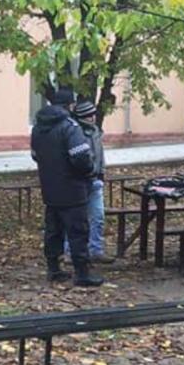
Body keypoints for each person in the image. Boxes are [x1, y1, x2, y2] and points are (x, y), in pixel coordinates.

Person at [31, 87, 104, 287]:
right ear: (70, 105)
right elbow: (81, 157)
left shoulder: (37, 128)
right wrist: (89, 171)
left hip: (50, 188)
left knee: (53, 231)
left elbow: (35, 156)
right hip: (73, 189)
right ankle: (82, 274)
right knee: (78, 232)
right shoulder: (70, 127)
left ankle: (53, 269)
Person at [64, 101, 113, 263]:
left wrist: (102, 172)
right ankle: (69, 251)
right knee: (76, 219)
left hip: (95, 181)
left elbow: (100, 154)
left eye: (93, 114)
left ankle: (96, 250)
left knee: (98, 217)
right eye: (88, 115)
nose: (92, 118)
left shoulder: (96, 131)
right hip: (80, 182)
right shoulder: (75, 133)